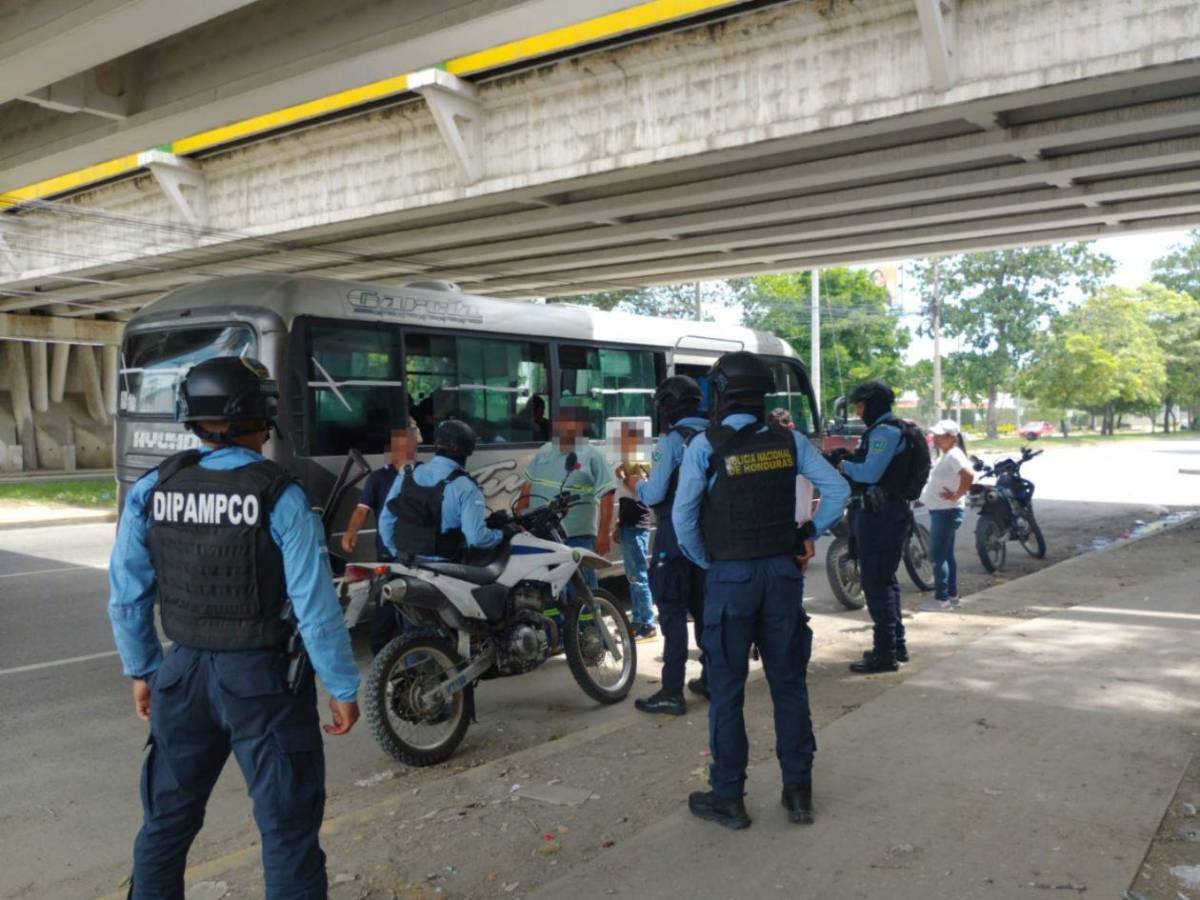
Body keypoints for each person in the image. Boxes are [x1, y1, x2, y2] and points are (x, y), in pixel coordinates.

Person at [108, 357, 360, 900]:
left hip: (181, 675)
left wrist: (145, 670)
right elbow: (315, 609)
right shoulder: (280, 495)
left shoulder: (154, 486)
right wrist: (342, 687)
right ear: (261, 418)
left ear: (191, 418)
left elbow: (127, 596)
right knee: (287, 832)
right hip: (262, 682)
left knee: (165, 825)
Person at [673, 352, 849, 830]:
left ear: (721, 392)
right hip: (782, 576)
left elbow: (683, 518)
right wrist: (808, 533)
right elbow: (837, 492)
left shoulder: (704, 446)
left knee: (727, 691)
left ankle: (728, 796)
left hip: (731, 578)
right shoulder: (788, 439)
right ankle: (798, 794)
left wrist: (711, 561)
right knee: (788, 685)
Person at [631, 376, 711, 716]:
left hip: (675, 535)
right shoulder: (714, 434)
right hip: (709, 535)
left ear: (667, 406)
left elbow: (656, 493)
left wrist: (635, 483)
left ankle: (671, 690)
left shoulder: (672, 441)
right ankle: (712, 678)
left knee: (673, 612)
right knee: (706, 611)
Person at [833, 379, 920, 674]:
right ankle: (896, 644)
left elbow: (870, 472)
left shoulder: (886, 431)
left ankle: (885, 654)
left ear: (873, 404)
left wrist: (842, 465)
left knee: (875, 584)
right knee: (886, 581)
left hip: (880, 517)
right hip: (888, 514)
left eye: (860, 405)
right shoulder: (896, 429)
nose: (858, 411)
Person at [379, 419, 509, 562]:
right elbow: (476, 539)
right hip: (445, 570)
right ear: (469, 450)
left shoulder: (407, 474)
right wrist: (503, 534)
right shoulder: (466, 487)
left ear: (436, 444)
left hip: (404, 564)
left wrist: (396, 552)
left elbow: (385, 522)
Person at [515, 404, 616, 589]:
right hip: (542, 534)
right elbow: (527, 488)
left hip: (577, 536)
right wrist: (520, 516)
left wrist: (603, 533)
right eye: (560, 422)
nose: (563, 427)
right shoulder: (545, 450)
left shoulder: (592, 455)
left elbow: (607, 494)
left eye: (569, 423)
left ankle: (588, 618)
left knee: (581, 590)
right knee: (548, 591)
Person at [340, 425, 421, 560]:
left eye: (410, 447)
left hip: (419, 550)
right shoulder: (378, 477)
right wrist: (352, 531)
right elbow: (362, 510)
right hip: (388, 551)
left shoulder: (424, 473)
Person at [919, 419, 974, 611]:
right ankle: (952, 595)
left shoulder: (953, 456)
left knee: (937, 555)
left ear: (952, 438)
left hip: (946, 511)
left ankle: (941, 599)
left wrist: (957, 495)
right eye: (934, 434)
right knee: (946, 554)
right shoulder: (948, 455)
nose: (935, 438)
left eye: (940, 435)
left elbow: (968, 475)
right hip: (943, 510)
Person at [612, 420, 657, 639]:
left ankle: (647, 623)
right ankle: (638, 620)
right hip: (628, 524)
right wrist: (618, 525)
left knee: (638, 576)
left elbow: (636, 487)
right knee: (633, 576)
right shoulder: (629, 461)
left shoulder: (638, 462)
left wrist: (621, 475)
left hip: (637, 526)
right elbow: (625, 498)